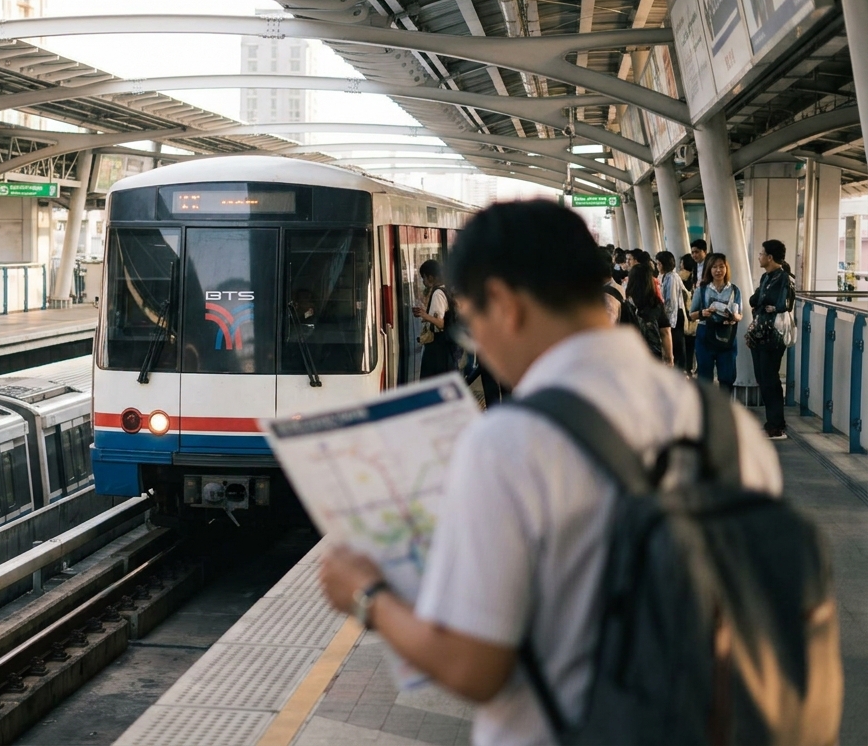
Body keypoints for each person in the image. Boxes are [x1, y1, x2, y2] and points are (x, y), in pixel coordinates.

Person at [318, 201, 781, 746]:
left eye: (475, 325)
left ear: (506, 305)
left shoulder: (510, 444)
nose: (479, 346)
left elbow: (473, 667)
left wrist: (368, 596)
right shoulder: (730, 429)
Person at [750, 240, 794, 440]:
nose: (759, 256)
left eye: (761, 253)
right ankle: (772, 423)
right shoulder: (766, 277)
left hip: (773, 333)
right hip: (760, 331)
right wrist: (761, 301)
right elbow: (755, 300)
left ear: (769, 257)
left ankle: (777, 426)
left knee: (770, 378)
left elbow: (778, 303)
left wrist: (763, 301)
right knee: (763, 377)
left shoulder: (783, 278)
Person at [690, 252, 743, 392]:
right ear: (709, 269)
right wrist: (703, 313)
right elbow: (692, 315)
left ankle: (724, 410)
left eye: (721, 266)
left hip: (727, 335)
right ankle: (707, 410)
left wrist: (734, 317)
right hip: (705, 335)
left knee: (727, 377)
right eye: (714, 267)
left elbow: (740, 314)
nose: (718, 270)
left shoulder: (734, 290)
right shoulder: (701, 290)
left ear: (726, 268)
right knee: (705, 377)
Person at [414, 259, 456, 378]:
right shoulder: (445, 290)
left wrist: (424, 315)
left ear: (431, 277)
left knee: (430, 381)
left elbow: (441, 323)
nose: (423, 281)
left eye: (424, 277)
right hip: (444, 347)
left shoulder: (438, 293)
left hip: (437, 347)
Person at [626, 262, 674, 364]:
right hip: (653, 356)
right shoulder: (656, 304)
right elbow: (665, 332)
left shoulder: (625, 305)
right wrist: (669, 358)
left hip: (630, 355)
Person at [656, 251, 686, 371]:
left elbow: (671, 301)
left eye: (658, 264)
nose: (657, 267)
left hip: (675, 315)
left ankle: (681, 370)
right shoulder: (665, 276)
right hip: (670, 315)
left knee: (677, 344)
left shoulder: (672, 277)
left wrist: (669, 322)